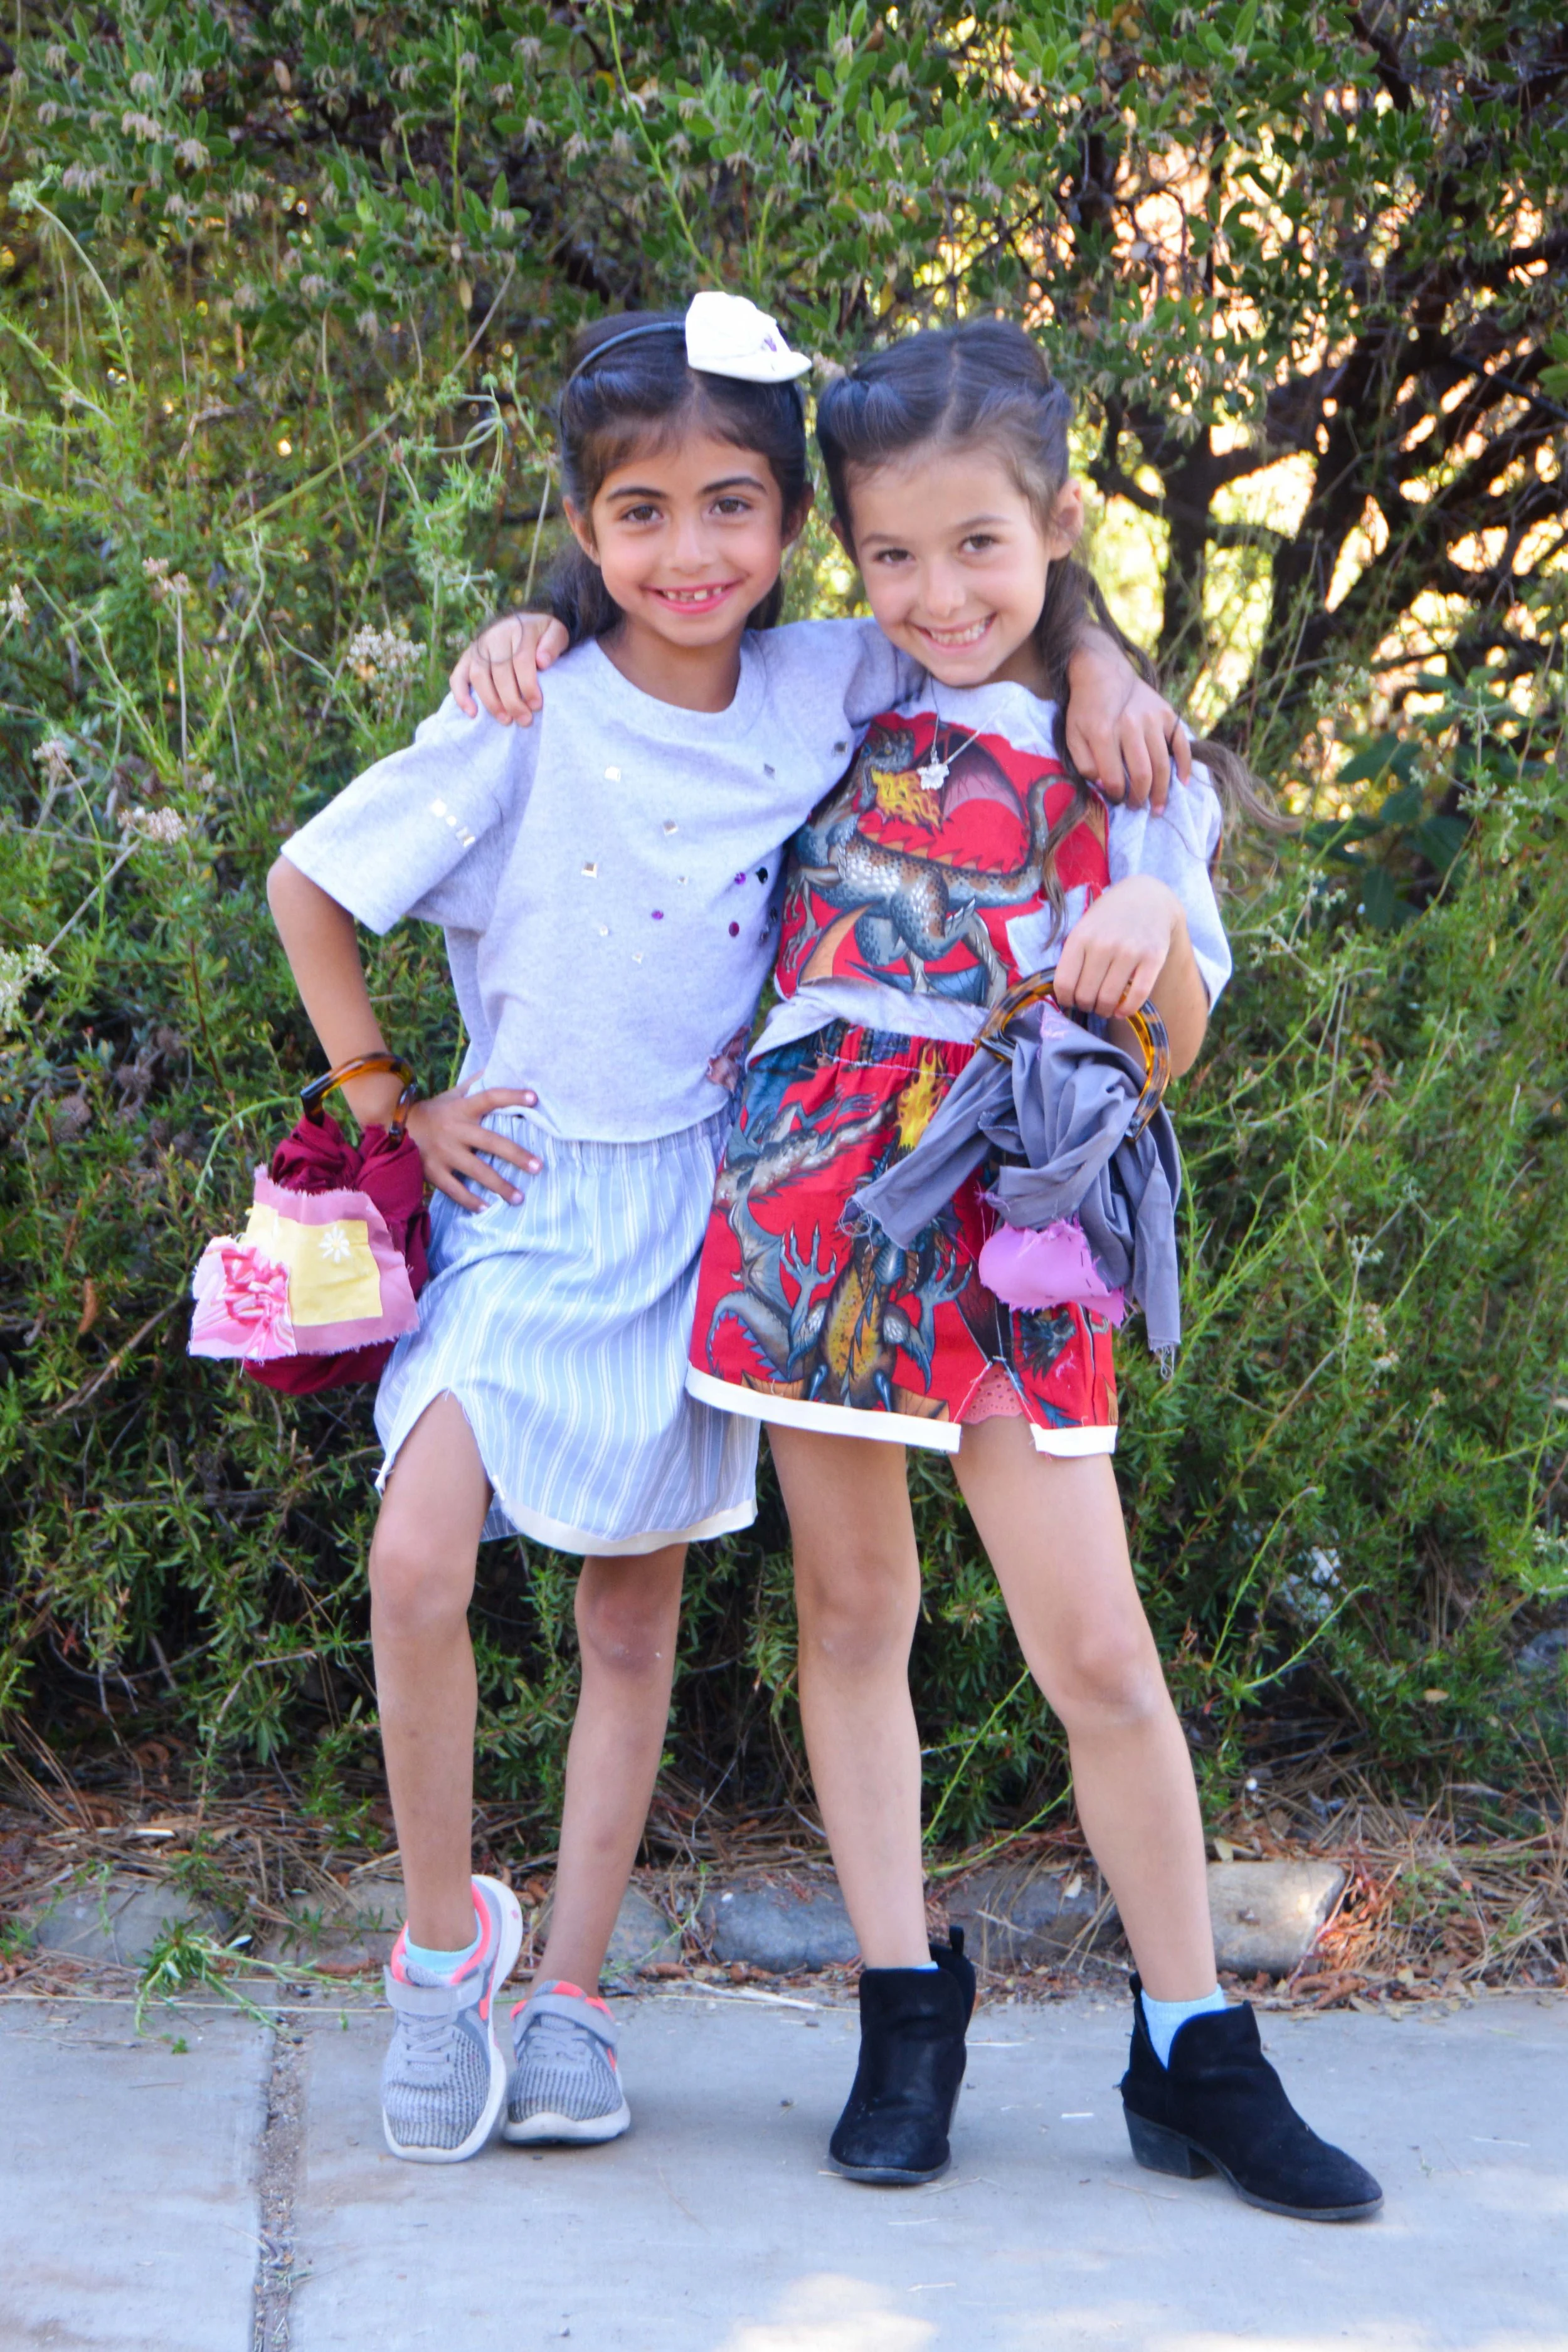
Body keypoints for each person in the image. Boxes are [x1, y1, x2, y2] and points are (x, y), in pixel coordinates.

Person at [464, 318, 1382, 2223]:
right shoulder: (831, 684)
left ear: (1057, 525)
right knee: (851, 1610)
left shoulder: (1126, 751)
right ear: (849, 555)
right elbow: (669, 634)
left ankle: (1194, 2041)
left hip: (1016, 1222)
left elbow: (1174, 1040)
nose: (938, 594)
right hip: (811, 1211)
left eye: (978, 546)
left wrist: (1147, 904)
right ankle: (904, 2006)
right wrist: (534, 623)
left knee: (1098, 1648)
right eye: (892, 554)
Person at [268, 292, 1171, 2165]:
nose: (692, 552)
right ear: (584, 526)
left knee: (630, 1617)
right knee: (418, 1560)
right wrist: (386, 1101)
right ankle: (444, 1948)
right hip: (538, 1198)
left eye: (734, 506)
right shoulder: (529, 705)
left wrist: (1102, 663)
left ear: (790, 524)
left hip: (718, 1200)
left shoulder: (828, 675)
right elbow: (312, 881)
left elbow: (987, 604)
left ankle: (574, 1993)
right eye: (642, 513)